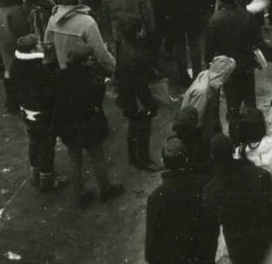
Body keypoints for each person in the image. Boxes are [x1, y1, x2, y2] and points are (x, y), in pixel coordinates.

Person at [53, 44, 124, 208]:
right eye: (90, 58)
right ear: (84, 62)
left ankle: (81, 195)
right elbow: (97, 99)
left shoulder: (61, 75)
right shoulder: (91, 82)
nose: (93, 60)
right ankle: (106, 189)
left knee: (74, 161)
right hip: (89, 126)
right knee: (97, 159)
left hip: (68, 127)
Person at [203, 133, 272, 264]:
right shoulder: (257, 174)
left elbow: (212, 220)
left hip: (238, 249)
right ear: (232, 151)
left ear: (212, 157)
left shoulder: (210, 191)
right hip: (264, 241)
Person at [145, 138, 218, 264]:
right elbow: (214, 222)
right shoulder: (205, 184)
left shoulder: (156, 198)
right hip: (204, 254)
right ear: (186, 159)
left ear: (163, 162)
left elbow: (151, 248)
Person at [148, 0, 213, 85]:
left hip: (173, 18)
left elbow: (157, 2)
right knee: (195, 44)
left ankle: (183, 75)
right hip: (192, 16)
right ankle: (197, 74)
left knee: (179, 45)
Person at [205, 0, 261, 143]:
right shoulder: (248, 16)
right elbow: (257, 41)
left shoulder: (215, 20)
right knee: (250, 104)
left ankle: (236, 143)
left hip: (227, 71)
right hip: (247, 67)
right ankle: (253, 139)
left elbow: (208, 51)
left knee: (233, 109)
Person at [10, 33, 64, 191]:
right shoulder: (37, 68)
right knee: (47, 145)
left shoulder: (16, 64)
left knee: (34, 142)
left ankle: (35, 173)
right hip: (42, 113)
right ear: (33, 49)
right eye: (38, 44)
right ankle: (47, 180)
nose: (41, 45)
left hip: (27, 111)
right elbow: (46, 91)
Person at [116, 17, 161, 171]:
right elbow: (141, 87)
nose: (144, 31)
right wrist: (151, 105)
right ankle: (144, 160)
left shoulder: (126, 45)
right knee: (143, 128)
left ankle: (133, 156)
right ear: (137, 33)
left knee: (133, 126)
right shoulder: (135, 55)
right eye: (141, 29)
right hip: (136, 100)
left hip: (126, 97)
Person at [43, 0, 116, 75]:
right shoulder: (87, 22)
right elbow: (100, 52)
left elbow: (47, 44)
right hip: (84, 72)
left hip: (63, 70)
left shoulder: (53, 19)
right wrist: (114, 68)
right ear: (79, 0)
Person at [0, 0, 30, 113]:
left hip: (4, 45)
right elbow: (22, 31)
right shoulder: (15, 8)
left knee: (9, 71)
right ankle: (18, 103)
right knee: (22, 76)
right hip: (16, 47)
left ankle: (11, 103)